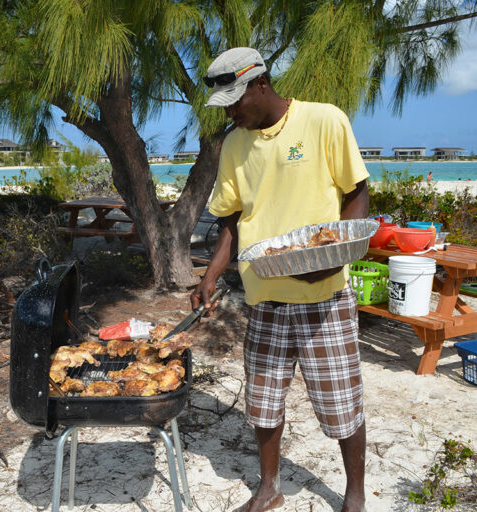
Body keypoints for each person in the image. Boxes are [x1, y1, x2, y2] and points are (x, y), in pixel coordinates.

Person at [192, 47, 368, 512]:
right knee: (263, 403)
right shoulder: (235, 145)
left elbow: (357, 193)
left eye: (235, 101)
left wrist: (338, 255)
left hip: (324, 297)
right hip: (264, 296)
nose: (230, 112)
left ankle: (354, 495)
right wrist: (210, 275)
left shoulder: (324, 120)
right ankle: (268, 488)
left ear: (261, 84)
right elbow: (230, 221)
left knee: (341, 403)